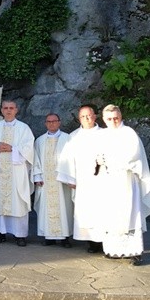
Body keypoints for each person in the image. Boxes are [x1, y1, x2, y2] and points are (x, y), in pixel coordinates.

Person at [94, 105, 150, 264]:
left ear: (120, 117)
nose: (113, 121)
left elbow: (133, 156)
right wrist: (98, 160)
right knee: (111, 215)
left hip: (126, 180)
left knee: (129, 214)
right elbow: (96, 155)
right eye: (109, 119)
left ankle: (134, 251)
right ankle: (113, 250)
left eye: (116, 118)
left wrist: (110, 160)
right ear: (104, 119)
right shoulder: (102, 135)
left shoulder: (129, 133)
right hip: (109, 181)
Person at [0, 100, 35, 247]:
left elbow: (29, 148)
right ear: (1, 110)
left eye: (11, 108)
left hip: (17, 172)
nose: (8, 110)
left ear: (16, 110)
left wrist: (12, 149)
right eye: (5, 108)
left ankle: (20, 235)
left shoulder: (24, 128)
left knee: (17, 201)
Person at [56, 105, 104, 253]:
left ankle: (104, 241)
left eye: (89, 115)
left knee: (102, 211)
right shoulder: (74, 136)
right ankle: (92, 242)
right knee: (87, 212)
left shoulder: (104, 134)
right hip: (83, 181)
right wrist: (71, 178)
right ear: (79, 119)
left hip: (102, 181)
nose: (86, 119)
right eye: (83, 116)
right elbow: (67, 159)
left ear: (95, 116)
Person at [32, 113, 72, 247]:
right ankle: (48, 237)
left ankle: (65, 237)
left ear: (59, 122)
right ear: (45, 123)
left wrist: (70, 178)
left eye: (54, 121)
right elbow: (35, 160)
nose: (51, 124)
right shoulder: (40, 140)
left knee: (65, 207)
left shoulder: (68, 139)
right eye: (48, 121)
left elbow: (72, 160)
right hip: (46, 181)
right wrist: (37, 176)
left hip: (62, 182)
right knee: (45, 209)